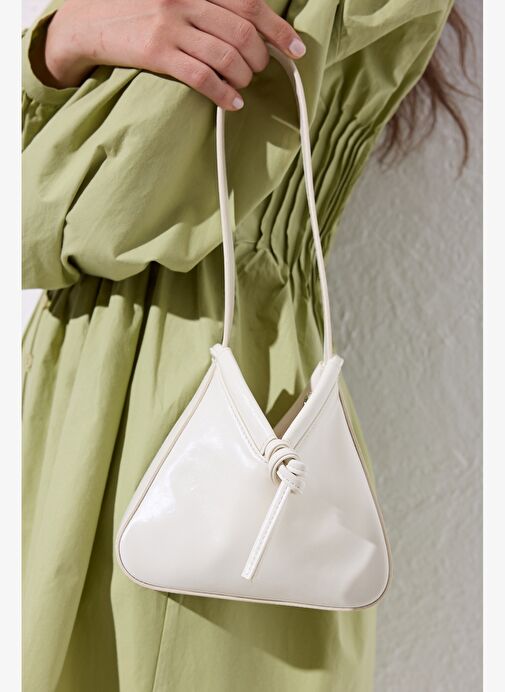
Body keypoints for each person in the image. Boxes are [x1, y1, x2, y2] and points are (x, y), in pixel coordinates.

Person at [22, 1, 459, 690]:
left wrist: (61, 43)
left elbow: (70, 215)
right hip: (187, 383)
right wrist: (62, 40)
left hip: (164, 403)